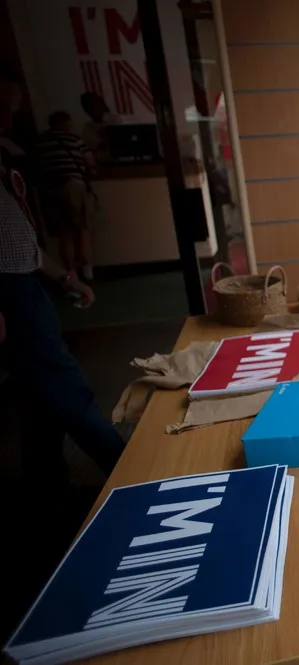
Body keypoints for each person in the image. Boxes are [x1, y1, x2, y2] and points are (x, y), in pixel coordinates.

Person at [0, 67, 124, 490]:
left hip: (26, 283)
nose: (7, 117)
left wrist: (65, 277)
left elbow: (20, 240)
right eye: (2, 107)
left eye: (11, 109)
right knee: (62, 383)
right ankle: (128, 470)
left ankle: (44, 481)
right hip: (9, 292)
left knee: (38, 392)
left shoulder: (8, 154)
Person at [34, 111, 98, 282]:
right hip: (74, 186)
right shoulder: (74, 139)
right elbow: (90, 163)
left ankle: (72, 274)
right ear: (67, 123)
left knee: (65, 233)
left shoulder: (40, 142)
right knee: (83, 229)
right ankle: (88, 271)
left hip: (50, 189)